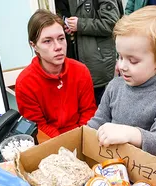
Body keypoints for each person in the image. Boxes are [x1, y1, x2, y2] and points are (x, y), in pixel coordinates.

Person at [87, 6, 156, 159]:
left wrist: (131, 134)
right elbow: (99, 120)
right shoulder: (114, 86)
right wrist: (83, 136)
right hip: (111, 162)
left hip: (144, 172)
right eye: (120, 57)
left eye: (133, 60)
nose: (122, 66)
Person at [15, 9, 97, 138]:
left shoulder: (81, 71)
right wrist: (65, 145)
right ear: (34, 45)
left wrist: (80, 139)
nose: (58, 46)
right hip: (49, 142)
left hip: (82, 136)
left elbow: (88, 112)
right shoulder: (25, 83)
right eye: (48, 41)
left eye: (61, 38)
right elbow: (38, 126)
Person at [59, 0, 121, 105]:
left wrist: (80, 24)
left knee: (99, 105)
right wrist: (71, 26)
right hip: (82, 58)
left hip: (98, 61)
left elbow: (111, 23)